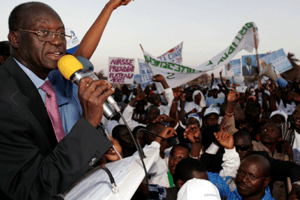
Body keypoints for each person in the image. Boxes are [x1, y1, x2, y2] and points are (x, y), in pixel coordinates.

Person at [0, 1, 134, 199]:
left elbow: (80, 55)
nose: (57, 41)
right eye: (43, 32)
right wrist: (88, 123)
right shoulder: (6, 102)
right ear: (15, 38)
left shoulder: (51, 76)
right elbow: (32, 188)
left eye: (61, 34)